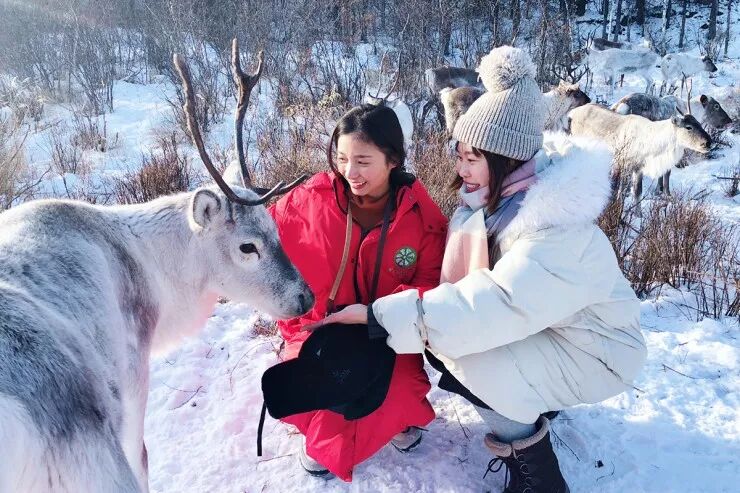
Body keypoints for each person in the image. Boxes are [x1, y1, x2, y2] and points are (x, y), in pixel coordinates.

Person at [310, 46, 647, 492]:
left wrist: (378, 317)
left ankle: (539, 476)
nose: (460, 168)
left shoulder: (553, 228)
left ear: (507, 159)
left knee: (464, 351)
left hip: (600, 354)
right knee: (447, 339)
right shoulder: (496, 204)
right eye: (460, 154)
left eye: (473, 158)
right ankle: (535, 402)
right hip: (558, 331)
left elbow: (493, 304)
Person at [268, 103, 448, 481]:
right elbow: (262, 247)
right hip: (321, 329)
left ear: (393, 160)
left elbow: (429, 286)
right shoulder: (308, 200)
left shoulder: (420, 218)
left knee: (396, 390)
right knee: (320, 391)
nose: (350, 172)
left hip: (386, 333)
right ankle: (322, 436)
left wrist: (377, 317)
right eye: (342, 158)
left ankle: (396, 421)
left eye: (363, 161)